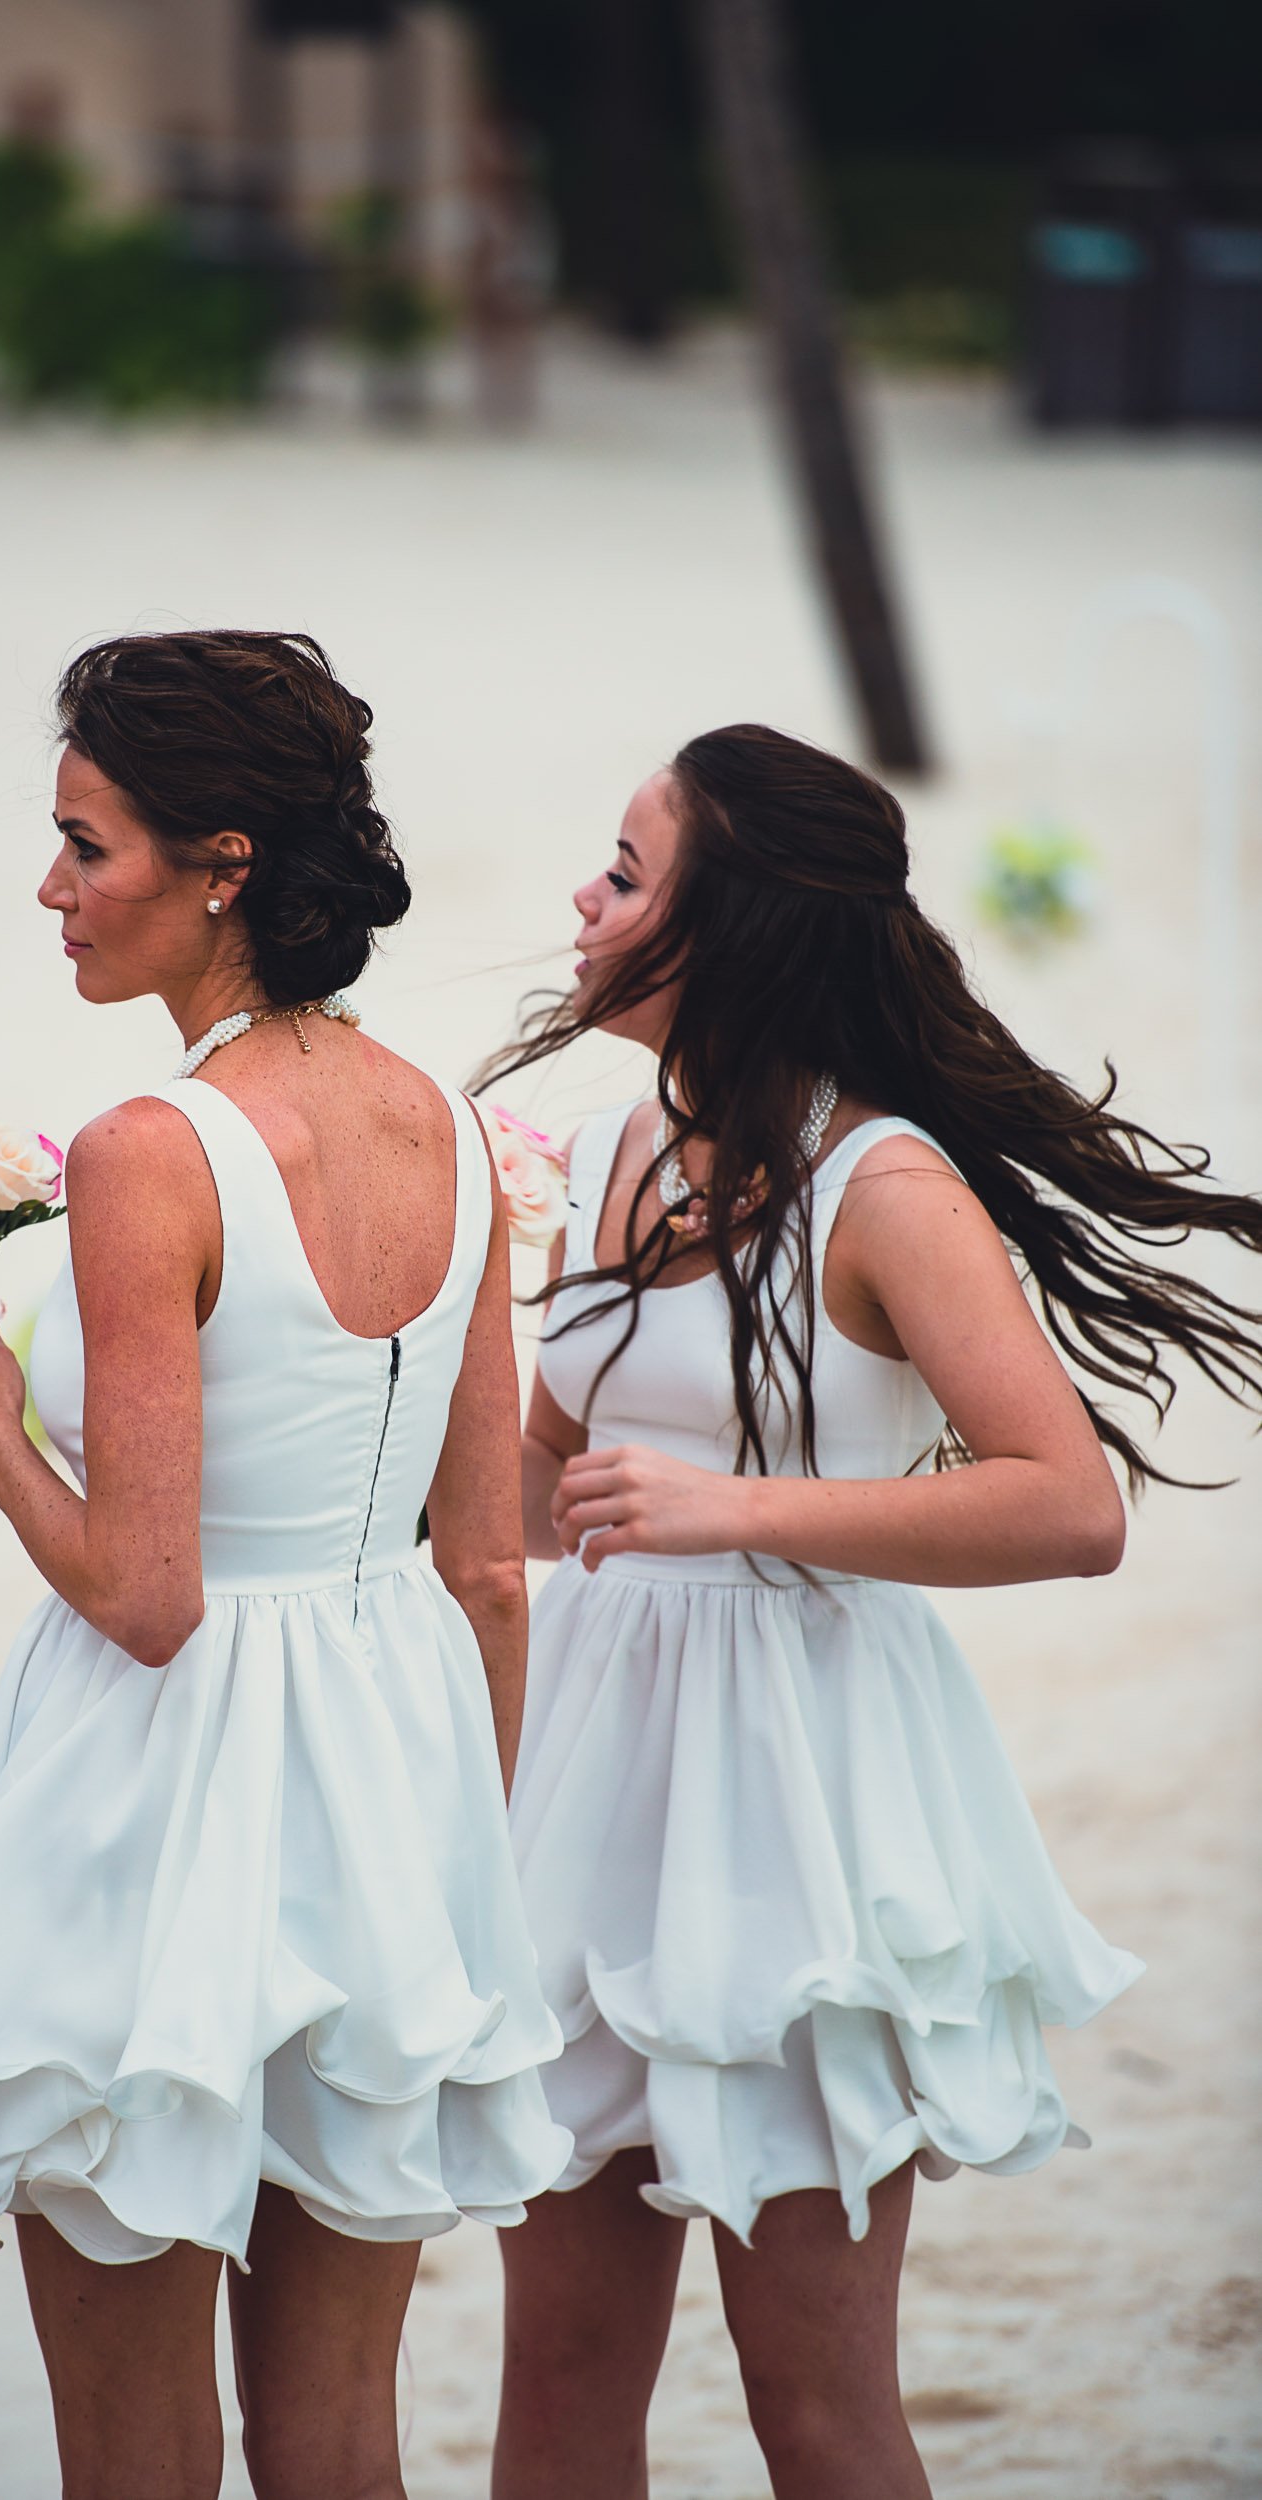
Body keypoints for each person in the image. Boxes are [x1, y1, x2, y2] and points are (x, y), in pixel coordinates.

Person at [0, 630, 570, 2500]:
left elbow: (150, 1598)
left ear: (221, 861)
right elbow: (486, 1568)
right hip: (389, 1787)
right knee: (339, 2449)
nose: (51, 889)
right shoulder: (460, 1134)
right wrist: (451, 1876)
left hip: (159, 1812)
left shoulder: (157, 1149)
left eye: (87, 844)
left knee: (134, 2462)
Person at [487, 725, 1262, 2500]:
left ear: (732, 930)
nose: (581, 903)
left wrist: (729, 1508)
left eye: (623, 871)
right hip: (600, 1790)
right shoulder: (615, 1146)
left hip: (805, 1802)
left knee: (813, 2408)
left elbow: (1067, 1506)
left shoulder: (886, 1185)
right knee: (560, 2386)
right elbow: (549, 1484)